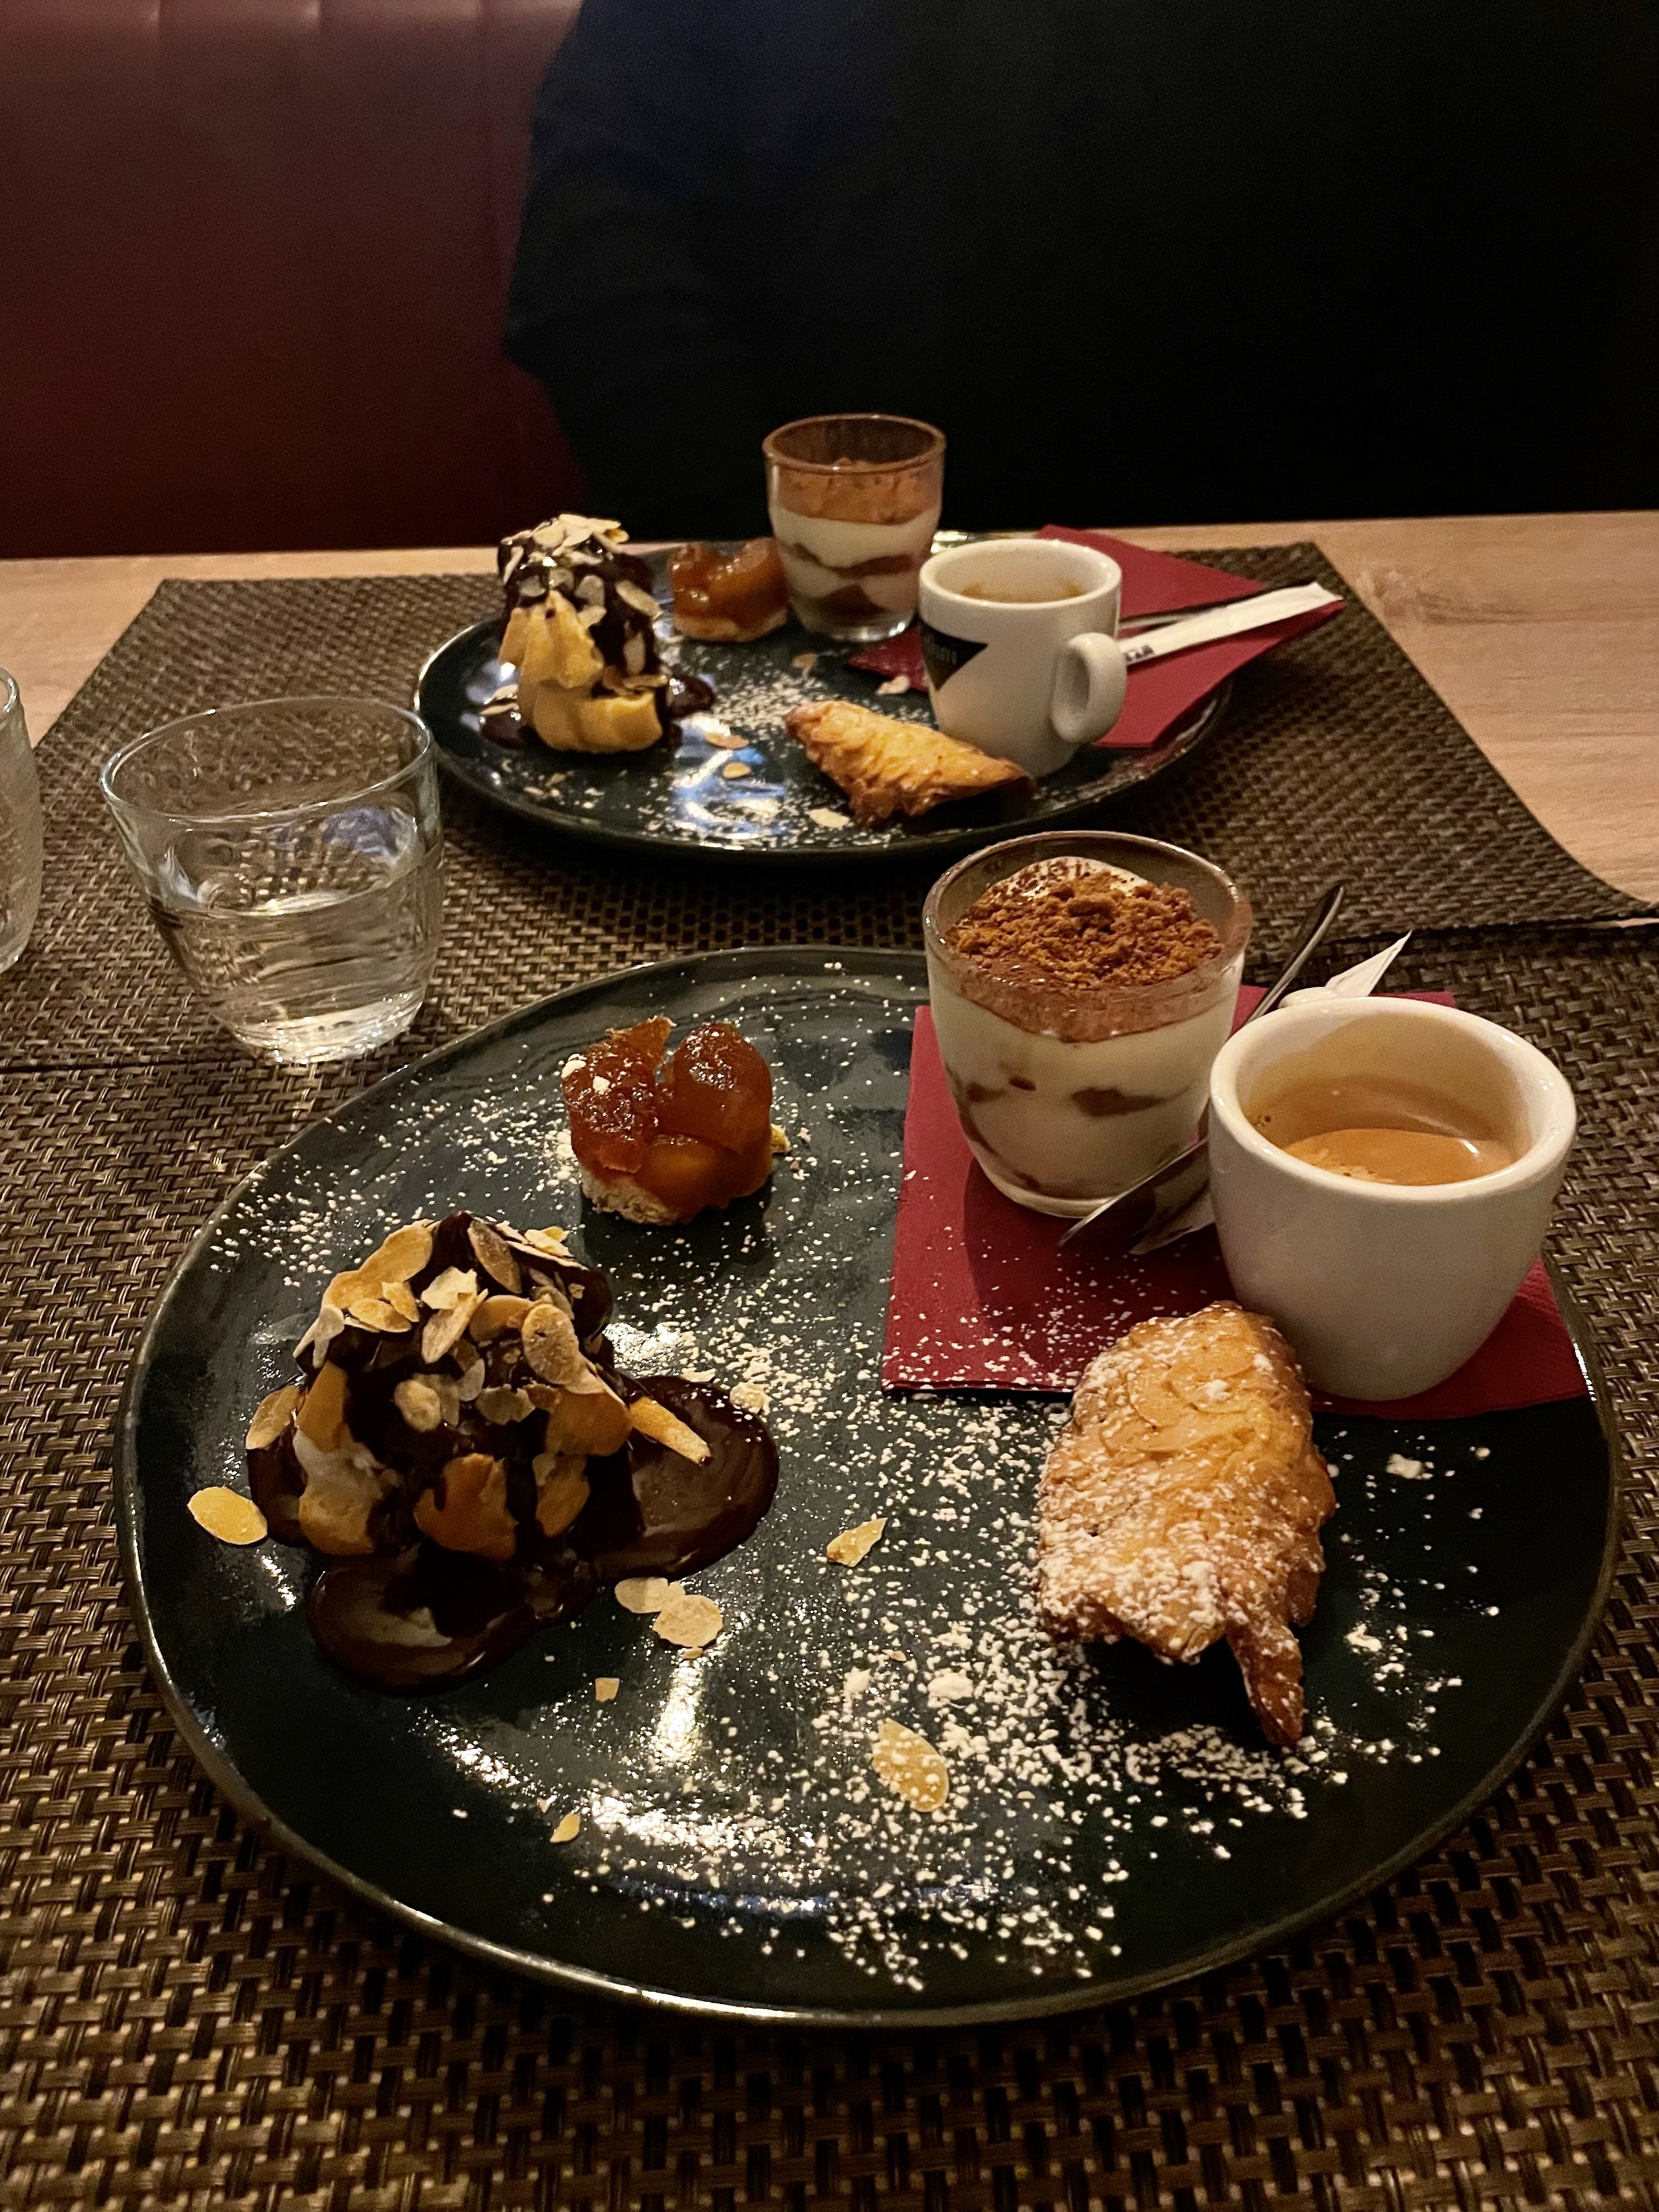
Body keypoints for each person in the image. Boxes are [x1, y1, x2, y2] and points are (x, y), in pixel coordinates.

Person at [505, 0, 1658, 538]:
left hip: (1317, 617)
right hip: (805, 610)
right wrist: (794, 561)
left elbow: (1540, 306)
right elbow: (600, 270)